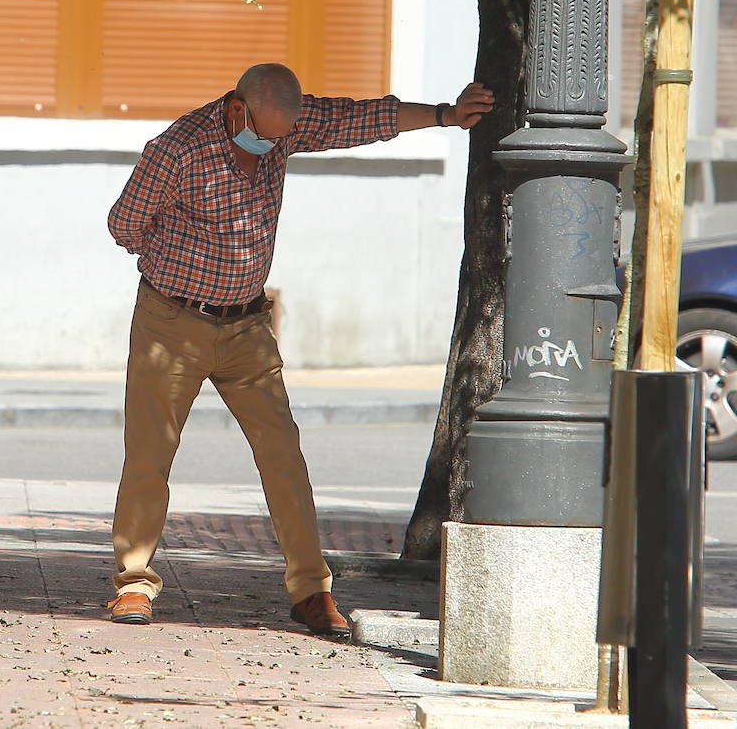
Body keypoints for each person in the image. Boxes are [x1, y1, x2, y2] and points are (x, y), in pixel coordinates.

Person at [105, 63, 494, 634]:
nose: (268, 146)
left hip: (247, 329)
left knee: (284, 456)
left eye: (279, 139)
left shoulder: (285, 127)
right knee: (149, 457)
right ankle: (133, 584)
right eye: (261, 133)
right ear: (237, 107)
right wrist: (176, 260)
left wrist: (443, 116)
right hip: (172, 323)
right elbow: (123, 224)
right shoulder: (177, 148)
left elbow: (362, 119)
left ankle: (311, 591)